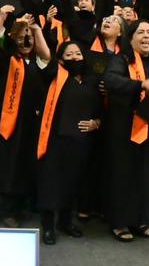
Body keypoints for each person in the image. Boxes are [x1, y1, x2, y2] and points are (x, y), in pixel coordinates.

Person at [0, 8, 50, 228]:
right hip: (10, 121)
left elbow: (47, 57)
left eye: (28, 38)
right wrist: (8, 24)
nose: (26, 41)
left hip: (33, 122)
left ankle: (24, 205)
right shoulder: (7, 61)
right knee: (10, 166)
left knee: (27, 165)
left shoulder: (37, 64)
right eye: (22, 38)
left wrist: (35, 30)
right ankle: (8, 210)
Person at [103, 20, 149, 242]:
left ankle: (140, 218)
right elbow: (110, 81)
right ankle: (119, 222)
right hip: (124, 128)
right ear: (130, 39)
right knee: (123, 175)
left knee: (144, 176)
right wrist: (140, 85)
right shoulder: (121, 60)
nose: (147, 36)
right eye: (141, 32)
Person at [35, 40, 102, 244]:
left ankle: (65, 221)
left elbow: (100, 110)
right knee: (51, 183)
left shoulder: (92, 80)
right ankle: (48, 226)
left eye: (78, 54)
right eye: (69, 54)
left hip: (81, 141)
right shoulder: (56, 75)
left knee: (73, 182)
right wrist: (38, 32)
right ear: (61, 59)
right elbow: (45, 55)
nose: (74, 58)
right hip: (55, 139)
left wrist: (96, 123)